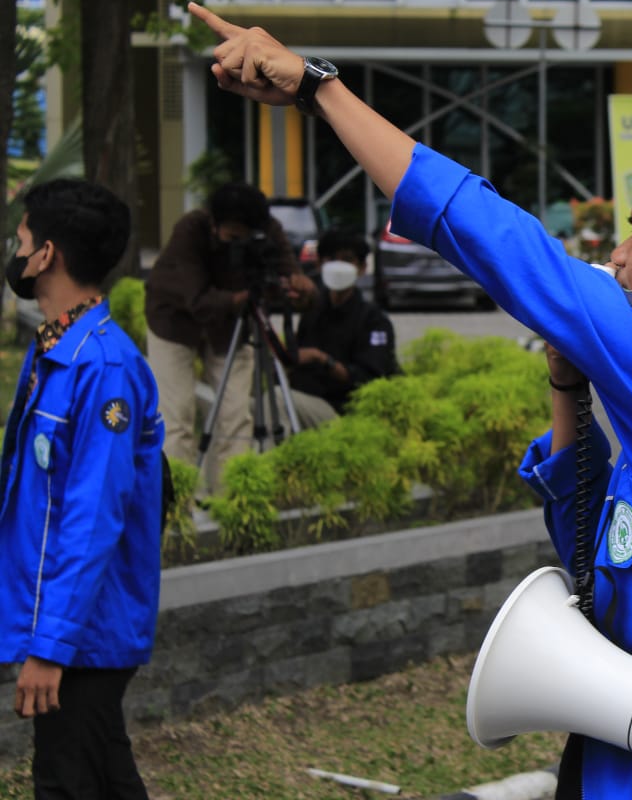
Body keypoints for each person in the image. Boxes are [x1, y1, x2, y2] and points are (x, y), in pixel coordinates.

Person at [187, 1, 632, 799]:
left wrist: (318, 87)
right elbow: (625, 544)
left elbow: (502, 241)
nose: (620, 254)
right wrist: (569, 387)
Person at [0, 179, 165, 798]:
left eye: (19, 240)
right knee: (100, 775)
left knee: (67, 781)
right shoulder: (57, 349)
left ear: (48, 255)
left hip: (87, 631)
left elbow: (92, 517)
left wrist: (51, 646)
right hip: (72, 624)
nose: (12, 251)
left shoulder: (103, 368)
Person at [144, 182, 314, 492]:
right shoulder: (191, 230)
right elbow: (196, 299)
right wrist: (243, 297)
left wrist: (298, 287)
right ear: (213, 222)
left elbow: (288, 274)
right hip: (174, 321)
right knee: (176, 417)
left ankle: (228, 499)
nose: (242, 244)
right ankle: (175, 502)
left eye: (249, 237)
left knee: (236, 415)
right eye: (234, 238)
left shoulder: (267, 231)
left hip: (232, 327)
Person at [287, 229, 399, 428]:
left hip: (342, 411)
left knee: (279, 400)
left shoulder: (373, 320)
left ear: (362, 268)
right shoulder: (313, 312)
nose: (338, 267)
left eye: (347, 260)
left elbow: (370, 379)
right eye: (331, 259)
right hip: (305, 399)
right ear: (319, 264)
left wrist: (321, 359)